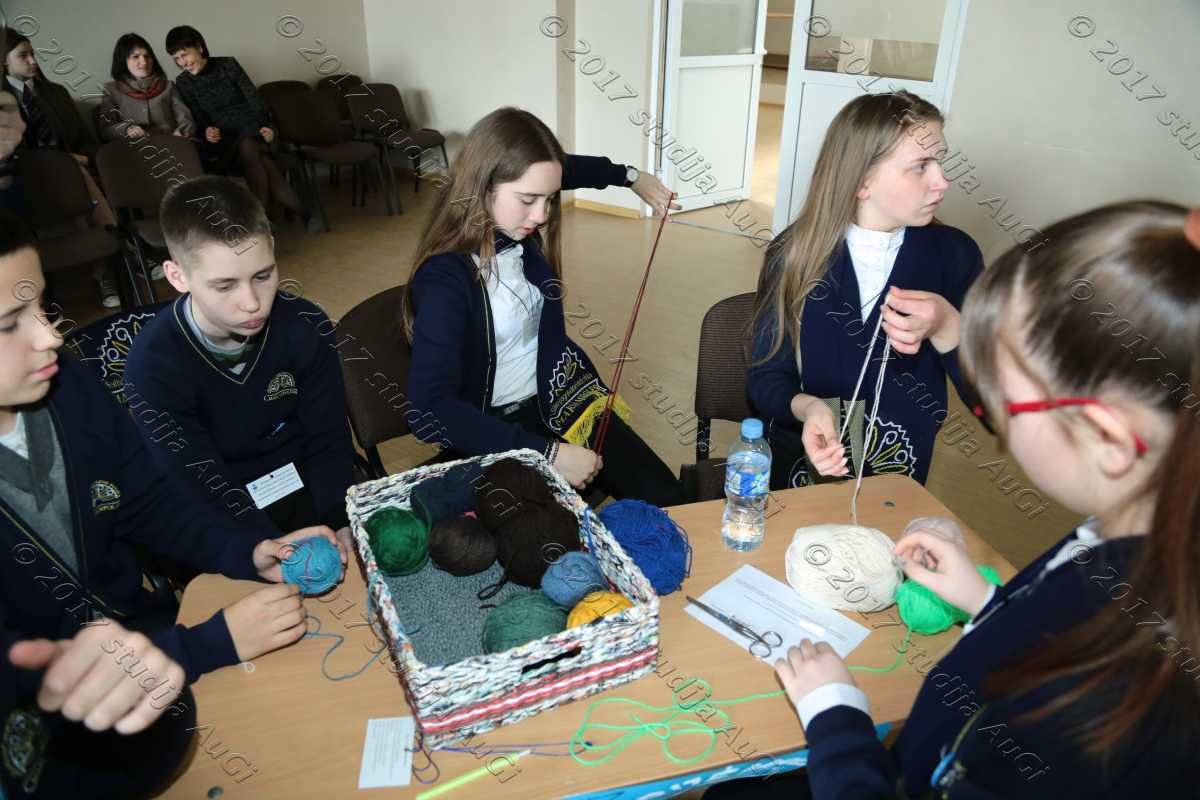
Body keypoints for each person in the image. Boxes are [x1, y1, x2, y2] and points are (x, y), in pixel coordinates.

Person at [706, 201, 1200, 799]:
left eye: (1004, 395)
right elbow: (1051, 629)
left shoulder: (1098, 710)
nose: (990, 413)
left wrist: (835, 714)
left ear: (1110, 441)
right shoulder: (1120, 541)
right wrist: (986, 603)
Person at [0, 210, 349, 798]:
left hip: (152, 661)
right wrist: (208, 644)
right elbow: (26, 681)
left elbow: (150, 504)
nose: (51, 336)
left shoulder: (69, 388)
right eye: (11, 323)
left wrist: (248, 551)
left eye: (42, 307)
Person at [403, 107, 683, 506]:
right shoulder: (445, 280)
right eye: (528, 200)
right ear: (483, 186)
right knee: (550, 535)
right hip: (499, 428)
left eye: (550, 199)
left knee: (670, 500)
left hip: (561, 395)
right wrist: (548, 453)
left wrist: (631, 177)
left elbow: (561, 169)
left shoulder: (514, 226)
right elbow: (429, 411)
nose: (542, 215)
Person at [748, 90, 983, 489]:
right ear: (861, 182)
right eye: (920, 166)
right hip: (799, 472)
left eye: (940, 161)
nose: (942, 181)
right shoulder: (793, 255)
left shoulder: (955, 256)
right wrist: (808, 408)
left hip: (899, 477)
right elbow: (766, 376)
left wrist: (948, 326)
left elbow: (990, 401)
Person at [124, 175, 354, 537]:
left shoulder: (306, 325)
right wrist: (264, 546)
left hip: (309, 488)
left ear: (272, 248)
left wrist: (338, 520)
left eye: (263, 275)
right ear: (177, 276)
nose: (251, 303)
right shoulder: (153, 366)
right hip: (225, 521)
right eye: (225, 285)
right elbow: (197, 482)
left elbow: (329, 439)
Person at [4, 30, 123, 308]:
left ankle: (105, 271)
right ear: (3, 61)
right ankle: (114, 245)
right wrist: (62, 161)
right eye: (23, 56)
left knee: (78, 177)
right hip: (27, 176)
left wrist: (82, 158)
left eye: (33, 54)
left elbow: (83, 139)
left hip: (72, 169)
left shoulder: (55, 93)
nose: (33, 61)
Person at [165, 25, 309, 228]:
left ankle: (261, 221)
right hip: (225, 140)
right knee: (263, 163)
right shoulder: (184, 82)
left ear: (199, 47)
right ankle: (303, 213)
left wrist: (265, 126)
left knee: (249, 147)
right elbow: (199, 118)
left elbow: (254, 99)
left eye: (184, 54)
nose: (183, 63)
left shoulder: (228, 65)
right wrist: (208, 131)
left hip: (254, 130)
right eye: (177, 58)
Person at [98, 33, 194, 142]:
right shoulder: (111, 90)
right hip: (133, 148)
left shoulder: (168, 86)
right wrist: (126, 129)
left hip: (171, 142)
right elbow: (106, 130)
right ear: (123, 61)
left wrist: (181, 132)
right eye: (135, 57)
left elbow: (186, 120)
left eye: (147, 56)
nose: (144, 62)